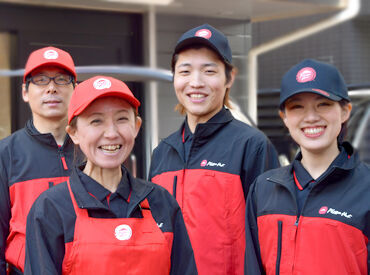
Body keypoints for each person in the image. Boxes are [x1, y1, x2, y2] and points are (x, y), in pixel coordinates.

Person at [24, 76, 197, 275]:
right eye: (96, 121)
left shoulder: (162, 203)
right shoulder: (51, 208)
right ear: (74, 133)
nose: (111, 133)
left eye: (122, 119)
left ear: (136, 126)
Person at [149, 24, 280, 275]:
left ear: (229, 77)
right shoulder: (163, 152)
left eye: (209, 71)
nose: (195, 83)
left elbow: (268, 236)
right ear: (174, 78)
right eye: (185, 71)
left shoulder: (251, 146)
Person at [245, 59, 370, 274]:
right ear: (284, 117)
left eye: (323, 104)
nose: (311, 117)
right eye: (297, 107)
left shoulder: (366, 189)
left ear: (345, 111)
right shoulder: (263, 189)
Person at [0, 46, 77, 274]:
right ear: (25, 92)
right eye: (41, 80)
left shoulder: (92, 148)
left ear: (76, 89)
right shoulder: (6, 153)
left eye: (62, 80)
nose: (52, 88)